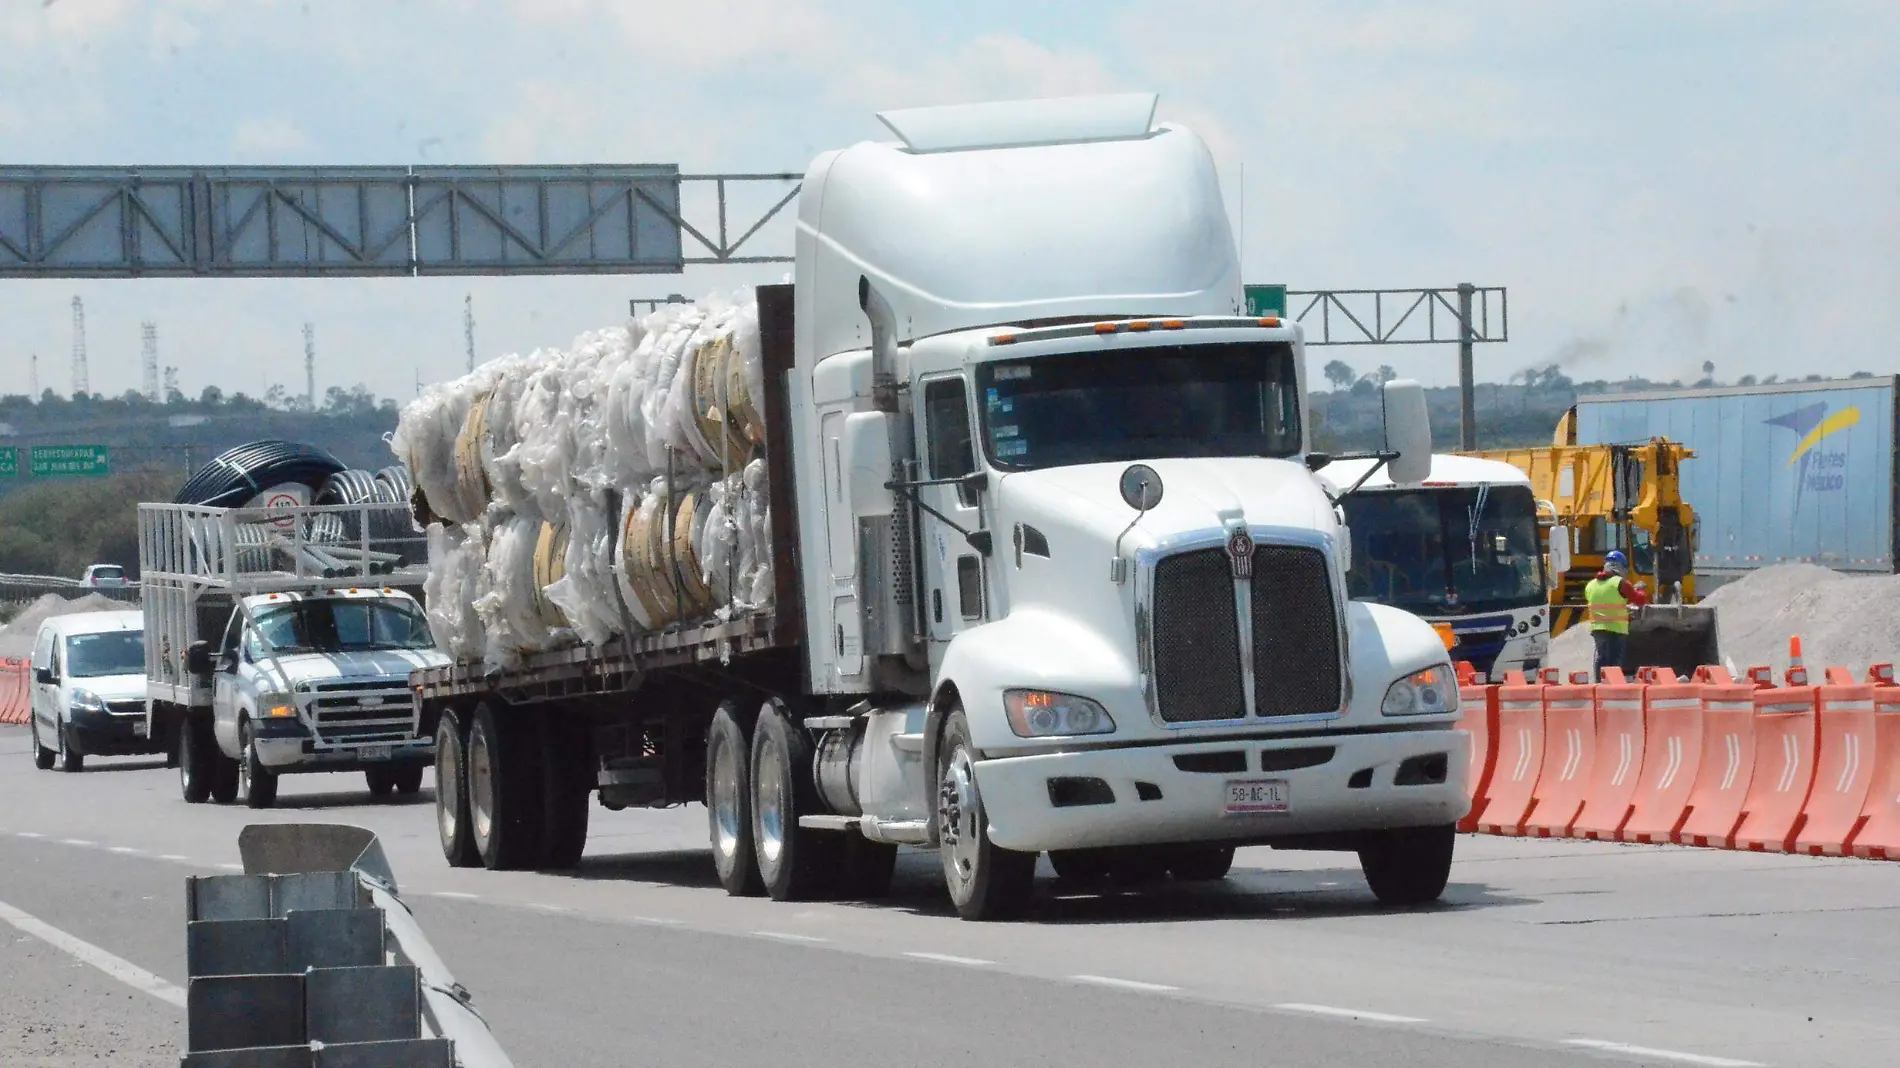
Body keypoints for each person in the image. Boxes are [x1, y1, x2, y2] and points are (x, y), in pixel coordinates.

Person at [1584, 550, 1649, 679]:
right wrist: (1640, 589)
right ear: (1621, 567)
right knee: (1614, 663)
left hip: (1597, 629)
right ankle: (1612, 688)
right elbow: (1640, 600)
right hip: (1616, 630)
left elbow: (1607, 602)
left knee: (1601, 659)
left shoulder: (1590, 585)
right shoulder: (1620, 583)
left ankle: (1599, 684)